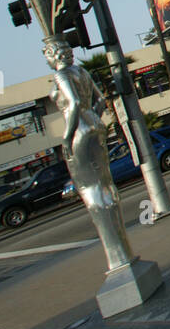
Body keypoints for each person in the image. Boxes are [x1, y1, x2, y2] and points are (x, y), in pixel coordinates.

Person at [45, 35, 134, 272]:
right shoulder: (82, 72)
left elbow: (73, 104)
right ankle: (123, 250)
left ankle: (116, 256)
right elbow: (101, 101)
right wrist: (92, 118)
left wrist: (66, 137)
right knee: (106, 184)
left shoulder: (62, 75)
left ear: (53, 55)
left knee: (90, 190)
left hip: (79, 130)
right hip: (95, 123)